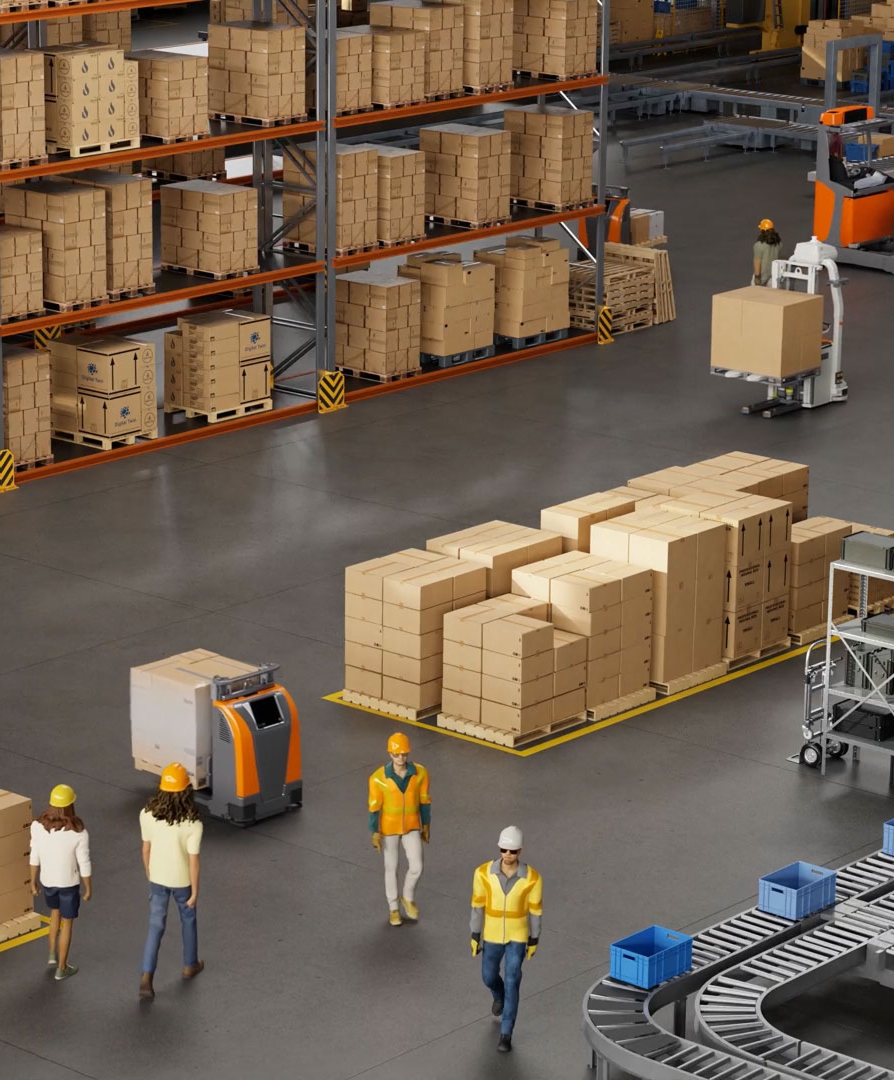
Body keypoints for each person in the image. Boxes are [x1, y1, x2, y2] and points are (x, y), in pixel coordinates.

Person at [470, 826, 542, 1054]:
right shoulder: (482, 873)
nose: (508, 855)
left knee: (513, 979)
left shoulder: (532, 878)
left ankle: (506, 1032)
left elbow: (535, 911)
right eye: (504, 850)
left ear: (520, 851)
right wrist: (475, 934)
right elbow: (477, 906)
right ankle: (497, 995)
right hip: (491, 934)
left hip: (517, 936)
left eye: (512, 851)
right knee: (488, 976)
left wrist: (534, 939)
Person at [138, 762, 204, 1001]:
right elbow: (193, 861)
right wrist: (194, 893)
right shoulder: (193, 824)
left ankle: (146, 976)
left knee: (155, 926)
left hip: (157, 878)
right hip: (182, 882)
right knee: (188, 919)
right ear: (187, 792)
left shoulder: (146, 815)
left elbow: (146, 849)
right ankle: (189, 965)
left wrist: (150, 873)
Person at [29, 784, 92, 981]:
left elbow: (34, 856)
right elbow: (84, 862)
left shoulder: (37, 827)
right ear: (71, 805)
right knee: (68, 923)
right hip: (68, 885)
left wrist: (33, 881)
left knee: (53, 913)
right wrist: (88, 887)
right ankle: (62, 968)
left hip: (47, 882)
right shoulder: (79, 833)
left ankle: (51, 955)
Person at [368, 732, 431, 926]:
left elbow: (424, 801)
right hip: (389, 829)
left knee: (417, 867)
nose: (401, 758)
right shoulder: (378, 778)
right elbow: (374, 807)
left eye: (404, 754)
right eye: (397, 755)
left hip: (412, 826)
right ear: (390, 754)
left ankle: (408, 897)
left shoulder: (420, 773)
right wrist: (375, 831)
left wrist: (426, 824)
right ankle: (393, 908)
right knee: (391, 867)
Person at [753, 218, 782, 286]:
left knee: (754, 294)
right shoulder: (779, 243)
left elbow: (757, 262)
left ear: (762, 230)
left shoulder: (759, 245)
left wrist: (757, 278)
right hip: (774, 274)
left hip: (762, 275)